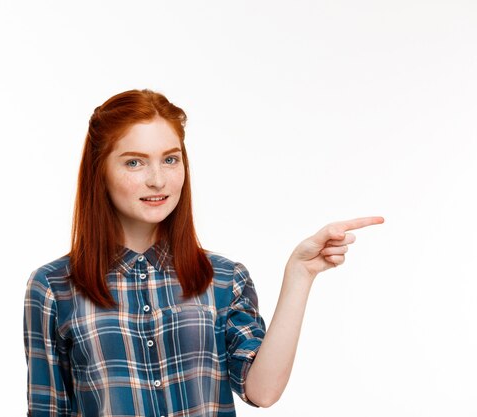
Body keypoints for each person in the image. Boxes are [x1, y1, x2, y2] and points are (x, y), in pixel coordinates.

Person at [23, 89, 384, 417]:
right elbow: (47, 411)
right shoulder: (54, 287)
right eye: (134, 162)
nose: (158, 180)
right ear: (99, 171)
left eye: (170, 159)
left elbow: (263, 391)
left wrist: (300, 274)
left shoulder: (224, 278)